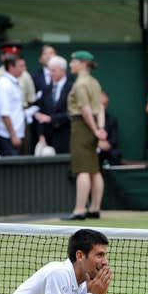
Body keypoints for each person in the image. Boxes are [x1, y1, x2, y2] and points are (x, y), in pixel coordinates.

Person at [63, 51, 108, 220]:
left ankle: (79, 210)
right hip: (93, 126)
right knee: (94, 169)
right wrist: (100, 128)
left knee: (82, 169)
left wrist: (95, 129)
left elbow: (85, 109)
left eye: (73, 61)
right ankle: (94, 209)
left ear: (82, 63)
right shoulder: (94, 82)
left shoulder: (80, 84)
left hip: (82, 126)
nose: (71, 64)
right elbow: (100, 108)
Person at [34, 55, 72, 154]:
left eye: (53, 70)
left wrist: (52, 119)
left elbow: (72, 113)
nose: (50, 74)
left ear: (63, 71)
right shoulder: (46, 89)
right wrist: (41, 135)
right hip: (48, 139)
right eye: (49, 70)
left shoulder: (72, 88)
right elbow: (41, 113)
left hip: (66, 138)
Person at [0, 54, 26, 156]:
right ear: (11, 67)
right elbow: (5, 113)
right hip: (8, 138)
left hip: (13, 136)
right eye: (21, 66)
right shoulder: (4, 85)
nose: (24, 69)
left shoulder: (12, 83)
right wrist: (13, 136)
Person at [98, 90, 121, 166]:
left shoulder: (111, 119)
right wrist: (97, 144)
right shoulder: (88, 119)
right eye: (100, 104)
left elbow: (114, 139)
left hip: (106, 149)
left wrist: (107, 144)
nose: (102, 107)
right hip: (92, 148)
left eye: (105, 105)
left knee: (114, 154)